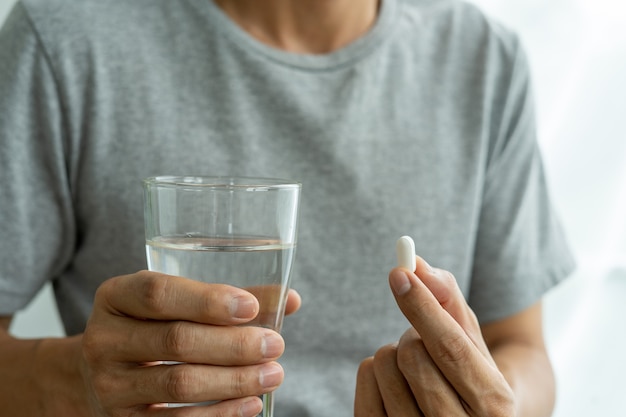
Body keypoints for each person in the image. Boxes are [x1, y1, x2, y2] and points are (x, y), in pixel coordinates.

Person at [0, 0, 575, 415]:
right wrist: (75, 381)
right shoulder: (66, 36)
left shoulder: (483, 61)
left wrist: (484, 403)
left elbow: (521, 347)